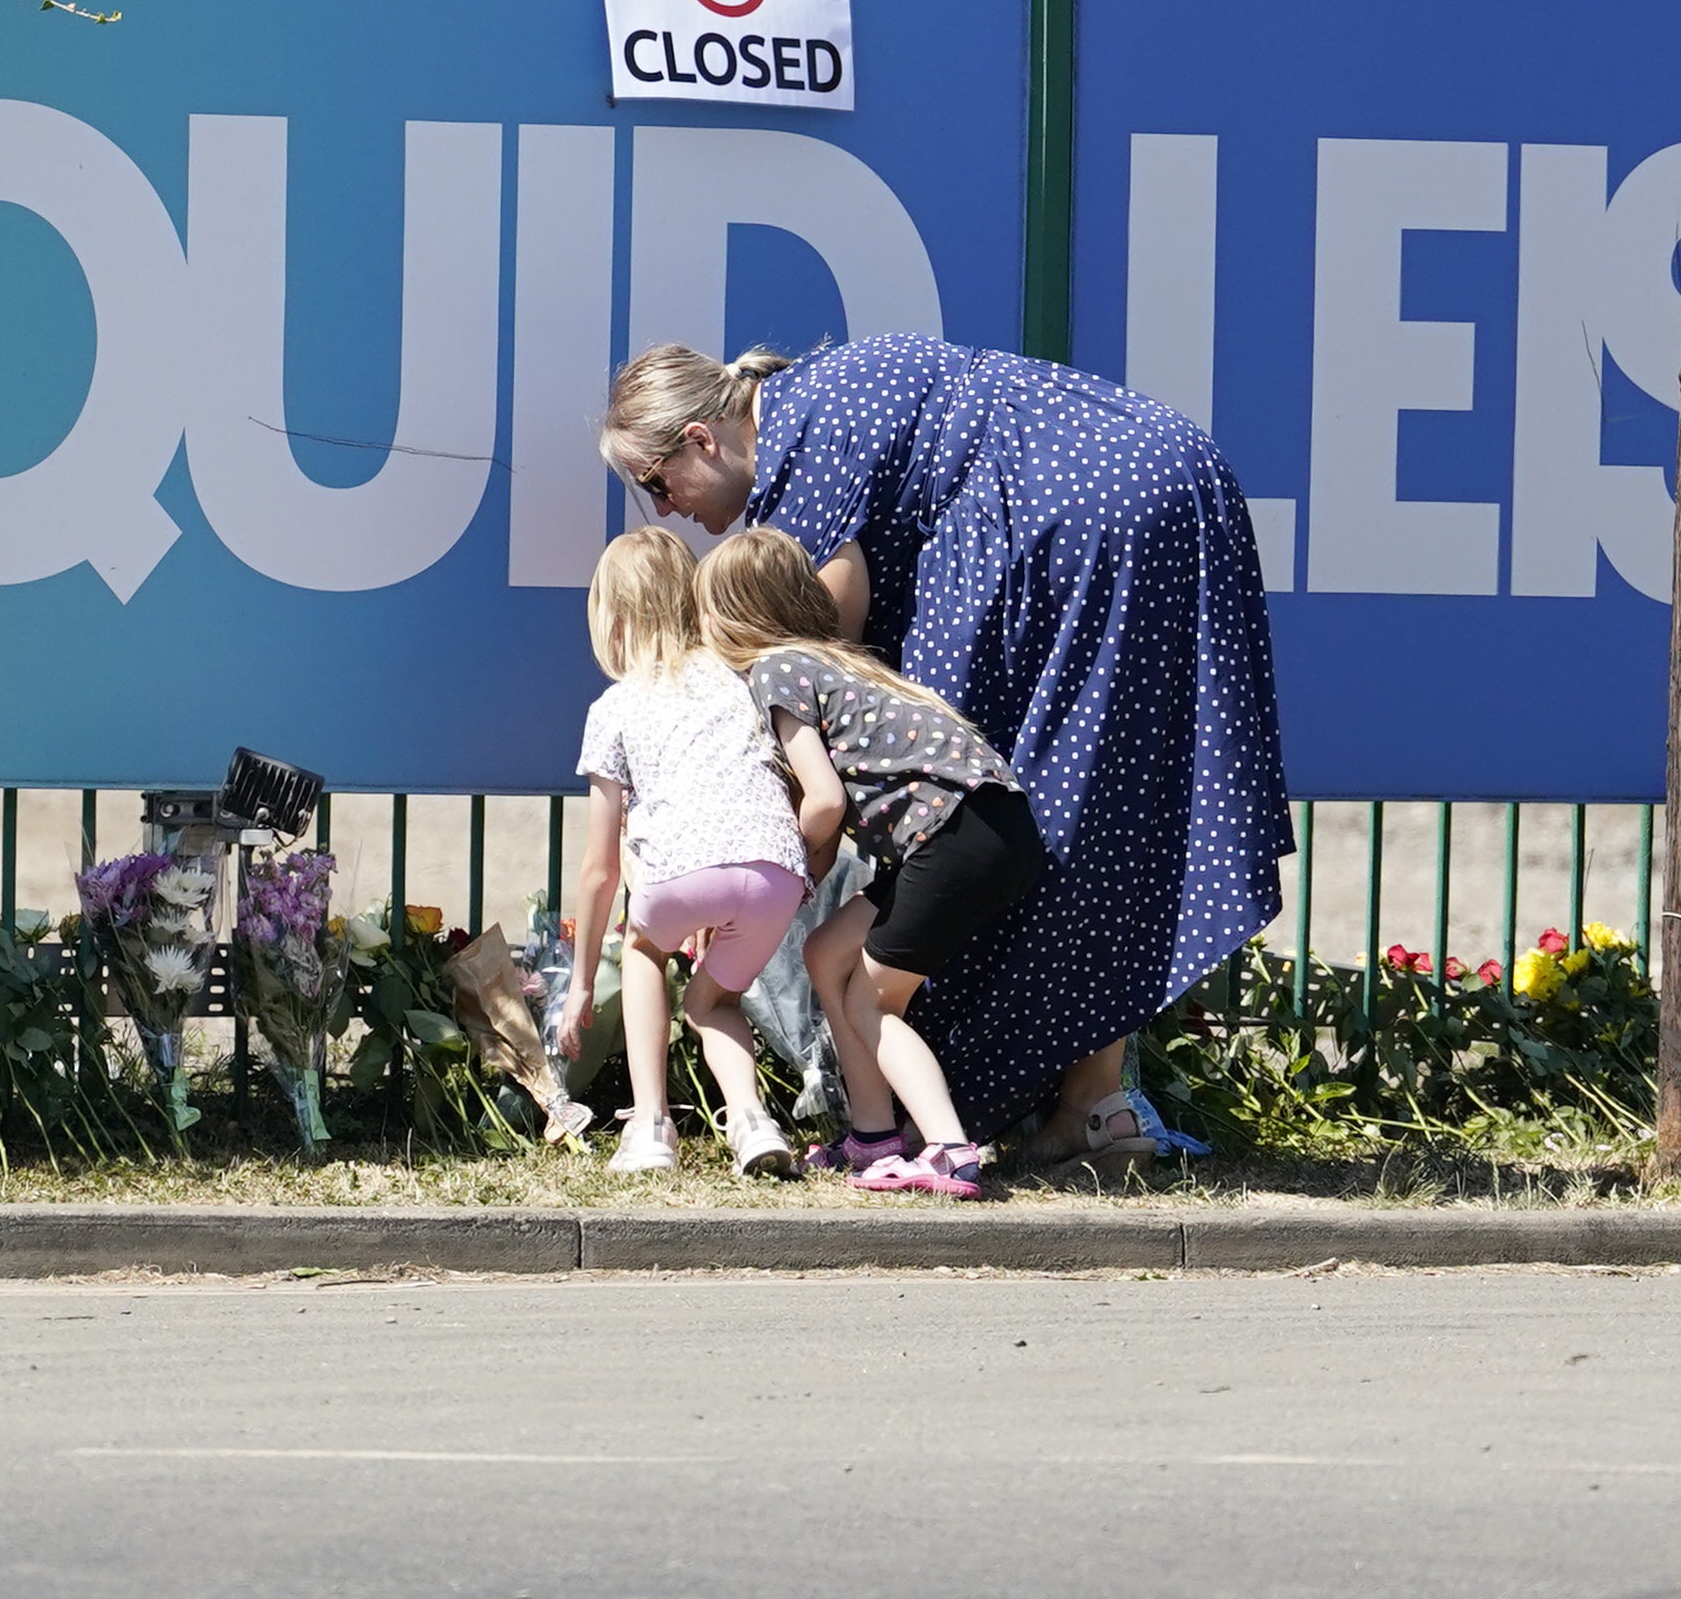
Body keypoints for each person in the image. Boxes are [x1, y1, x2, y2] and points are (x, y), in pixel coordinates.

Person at [601, 335, 1293, 1164]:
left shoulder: (794, 456)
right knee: (1105, 801)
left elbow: (831, 640)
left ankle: (929, 1114)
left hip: (1079, 515)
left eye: (654, 482)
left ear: (701, 440)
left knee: (1020, 810)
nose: (665, 507)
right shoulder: (821, 395)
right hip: (1169, 477)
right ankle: (1094, 1104)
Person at [696, 527, 1044, 1199]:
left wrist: (785, 875)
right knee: (828, 952)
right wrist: (810, 878)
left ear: (730, 616)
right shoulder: (830, 660)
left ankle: (947, 1149)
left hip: (950, 835)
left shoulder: (774, 671)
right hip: (983, 824)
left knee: (872, 998)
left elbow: (823, 800)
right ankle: (874, 1137)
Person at [552, 525, 810, 1179]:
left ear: (614, 617)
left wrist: (582, 982)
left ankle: (650, 1124)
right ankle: (751, 1119)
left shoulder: (615, 707)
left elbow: (601, 867)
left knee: (643, 951)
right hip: (774, 872)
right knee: (711, 1002)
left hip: (676, 878)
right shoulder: (740, 677)